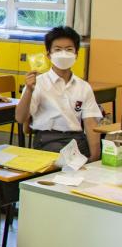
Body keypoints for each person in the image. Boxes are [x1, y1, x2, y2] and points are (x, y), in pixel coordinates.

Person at [15, 26, 101, 159]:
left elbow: (90, 123)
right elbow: (20, 118)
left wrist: (95, 157)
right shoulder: (37, 83)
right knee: (67, 161)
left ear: (76, 54)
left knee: (98, 160)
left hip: (76, 139)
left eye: (69, 49)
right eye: (58, 49)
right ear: (49, 55)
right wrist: (29, 91)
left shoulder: (83, 87)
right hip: (48, 139)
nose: (63, 54)